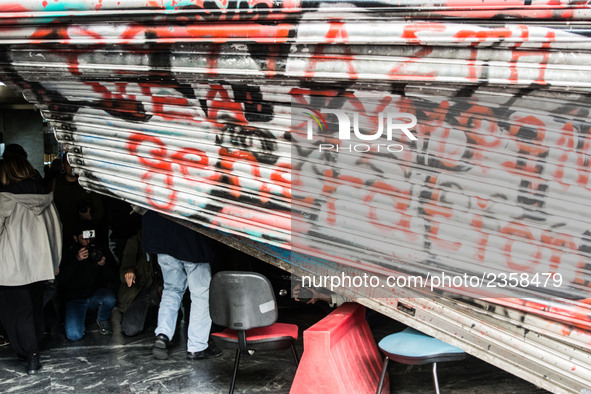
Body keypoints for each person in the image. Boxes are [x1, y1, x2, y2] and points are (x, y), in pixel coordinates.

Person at [0, 156, 62, 374]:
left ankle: (30, 354)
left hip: (12, 268)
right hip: (39, 267)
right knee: (34, 309)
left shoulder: (4, 199)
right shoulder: (45, 196)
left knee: (15, 313)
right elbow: (56, 231)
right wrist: (54, 261)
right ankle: (30, 349)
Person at [142, 210, 221, 360]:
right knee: (201, 294)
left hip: (161, 235)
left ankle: (163, 335)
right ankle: (197, 347)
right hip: (190, 238)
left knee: (172, 288)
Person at [57, 220, 118, 341]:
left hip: (95, 296)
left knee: (109, 298)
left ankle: (102, 319)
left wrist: (103, 265)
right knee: (74, 335)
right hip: (75, 299)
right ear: (75, 238)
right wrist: (76, 260)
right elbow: (61, 280)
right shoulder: (68, 251)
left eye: (90, 238)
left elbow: (114, 277)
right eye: (83, 238)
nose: (87, 242)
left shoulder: (99, 249)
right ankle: (74, 318)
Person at [52, 152, 107, 248]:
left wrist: (90, 217)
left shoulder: (87, 184)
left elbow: (100, 210)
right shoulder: (55, 184)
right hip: (62, 234)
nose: (72, 167)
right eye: (69, 163)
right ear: (63, 165)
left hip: (85, 236)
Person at [118, 229, 162, 336]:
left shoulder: (163, 239)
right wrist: (129, 272)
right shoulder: (135, 241)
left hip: (159, 289)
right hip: (139, 290)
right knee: (130, 329)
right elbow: (126, 265)